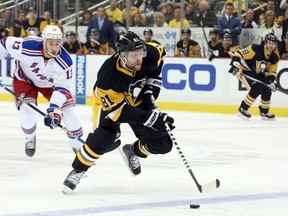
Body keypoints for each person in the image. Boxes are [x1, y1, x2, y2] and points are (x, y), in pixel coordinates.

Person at [62, 31, 175, 193]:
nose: (139, 58)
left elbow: (160, 56)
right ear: (122, 55)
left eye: (141, 52)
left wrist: (151, 88)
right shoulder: (108, 77)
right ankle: (78, 170)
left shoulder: (148, 55)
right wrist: (150, 118)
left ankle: (133, 151)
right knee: (106, 137)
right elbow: (117, 112)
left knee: (164, 143)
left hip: (137, 99)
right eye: (134, 55)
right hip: (110, 105)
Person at [0, 25, 84, 157]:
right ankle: (30, 137)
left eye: (57, 43)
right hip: (25, 80)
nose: (55, 48)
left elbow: (62, 88)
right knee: (26, 113)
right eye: (51, 43)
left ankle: (77, 145)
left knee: (71, 114)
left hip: (50, 86)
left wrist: (54, 111)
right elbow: (4, 43)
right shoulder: (28, 46)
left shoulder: (65, 61)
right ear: (44, 42)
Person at [228, 33, 279, 120]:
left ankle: (264, 112)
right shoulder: (255, 49)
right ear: (265, 43)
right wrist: (235, 64)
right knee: (258, 87)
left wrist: (271, 82)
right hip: (244, 69)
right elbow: (239, 53)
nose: (271, 45)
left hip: (255, 72)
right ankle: (242, 109)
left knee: (267, 87)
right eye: (269, 43)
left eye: (273, 43)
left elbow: (271, 72)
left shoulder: (274, 57)